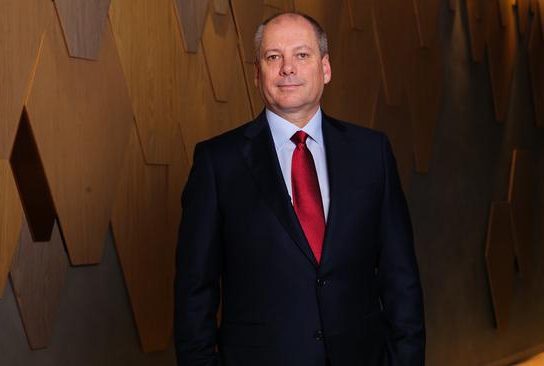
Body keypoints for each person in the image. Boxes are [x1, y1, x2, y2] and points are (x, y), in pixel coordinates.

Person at [174, 12, 425, 366]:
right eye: (273, 57)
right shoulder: (218, 162)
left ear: (325, 68)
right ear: (257, 73)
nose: (287, 68)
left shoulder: (372, 154)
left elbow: (401, 277)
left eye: (301, 55)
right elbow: (193, 291)